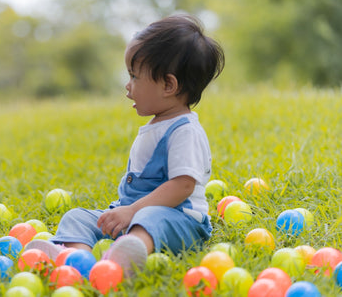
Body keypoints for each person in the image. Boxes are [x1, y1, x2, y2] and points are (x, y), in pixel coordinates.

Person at [27, 15, 224, 277]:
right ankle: (74, 258)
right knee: (77, 216)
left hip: (179, 221)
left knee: (151, 219)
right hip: (133, 214)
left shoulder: (185, 130)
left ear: (168, 84)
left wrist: (133, 211)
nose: (127, 86)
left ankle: (123, 260)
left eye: (134, 76)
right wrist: (126, 211)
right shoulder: (158, 124)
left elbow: (183, 186)